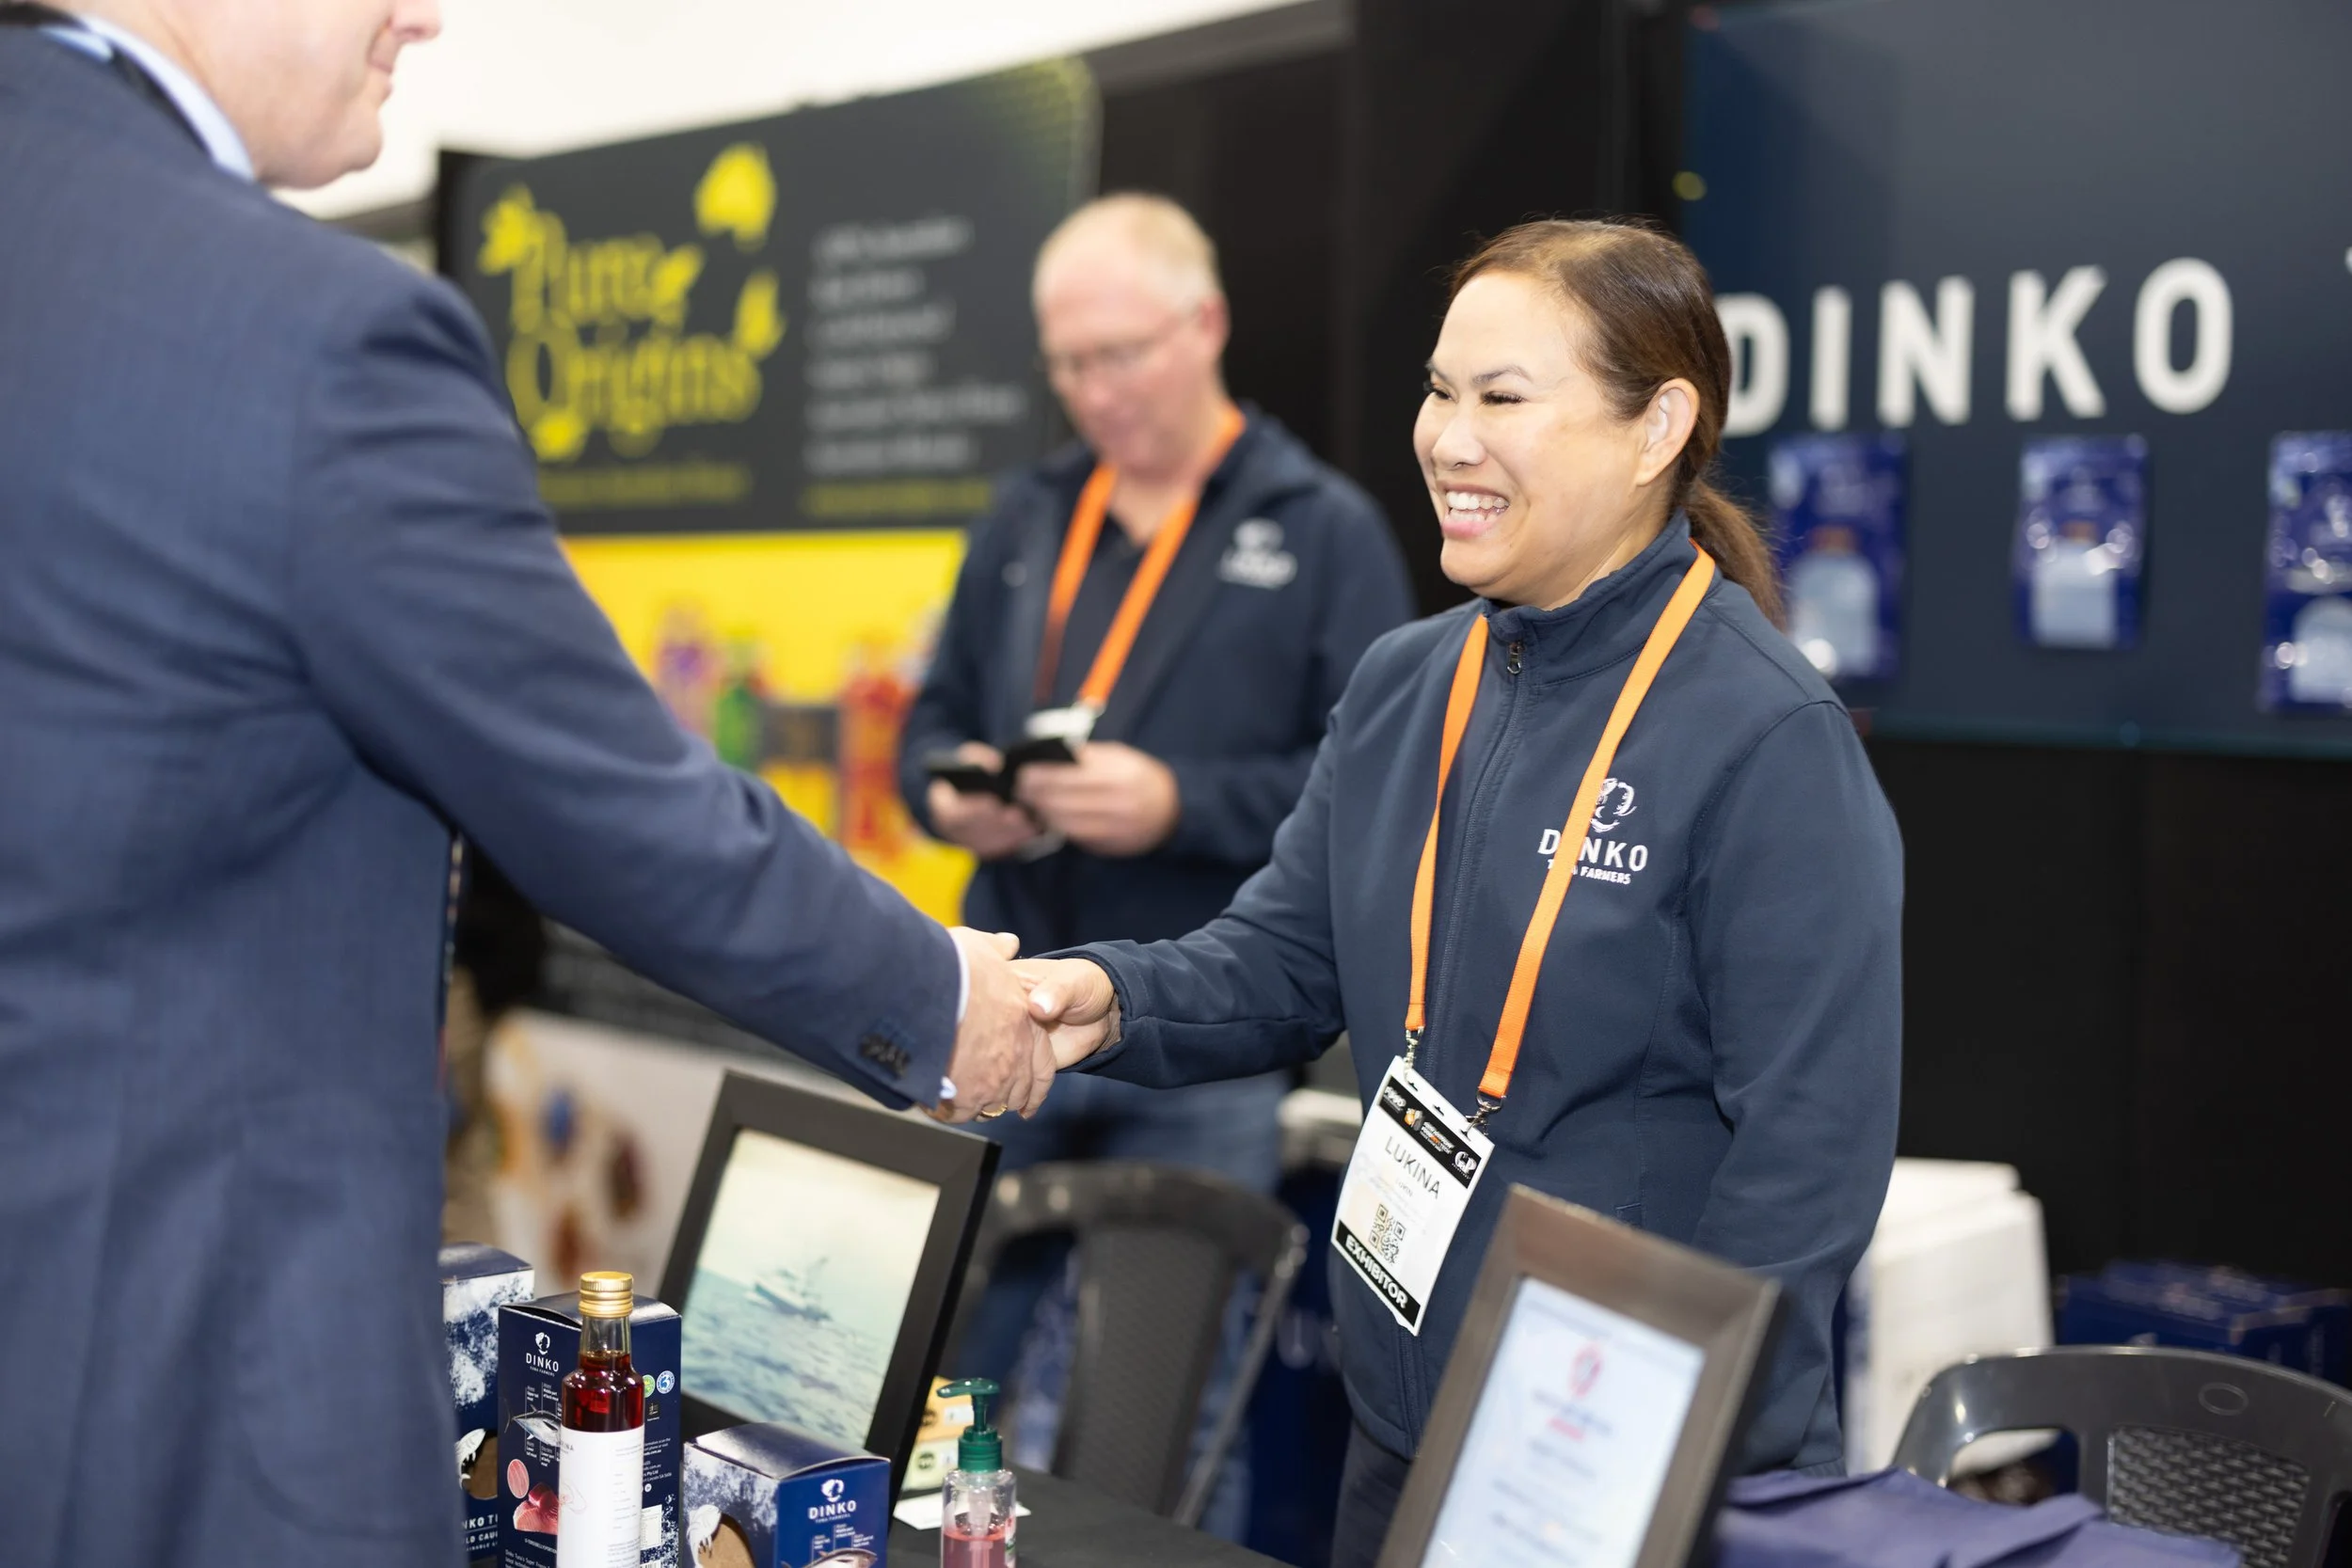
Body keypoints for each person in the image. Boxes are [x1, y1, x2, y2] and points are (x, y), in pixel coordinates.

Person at [0, 6, 1051, 1566]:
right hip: (178, 1398)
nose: (425, 13)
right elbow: (614, 804)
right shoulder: (310, 333)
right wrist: (933, 993)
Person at [1019, 218, 1903, 1564]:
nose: (1446, 437)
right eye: (1440, 390)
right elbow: (1281, 963)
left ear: (1659, 424)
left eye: (1502, 397)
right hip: (1402, 1426)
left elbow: (1807, 1164)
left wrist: (1657, 1446)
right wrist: (1106, 993)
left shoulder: (1764, 734)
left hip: (1618, 1465)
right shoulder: (1405, 682)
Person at [898, 194, 1413, 1410]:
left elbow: (1378, 791)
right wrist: (953, 795)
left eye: (1116, 355)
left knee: (1154, 1417)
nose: (1091, 390)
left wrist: (1179, 801)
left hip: (1203, 1034)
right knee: (930, 1386)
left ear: (1206, 325)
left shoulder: (1322, 529)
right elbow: (929, 723)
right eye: (1066, 362)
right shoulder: (1026, 514)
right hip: (1009, 1000)